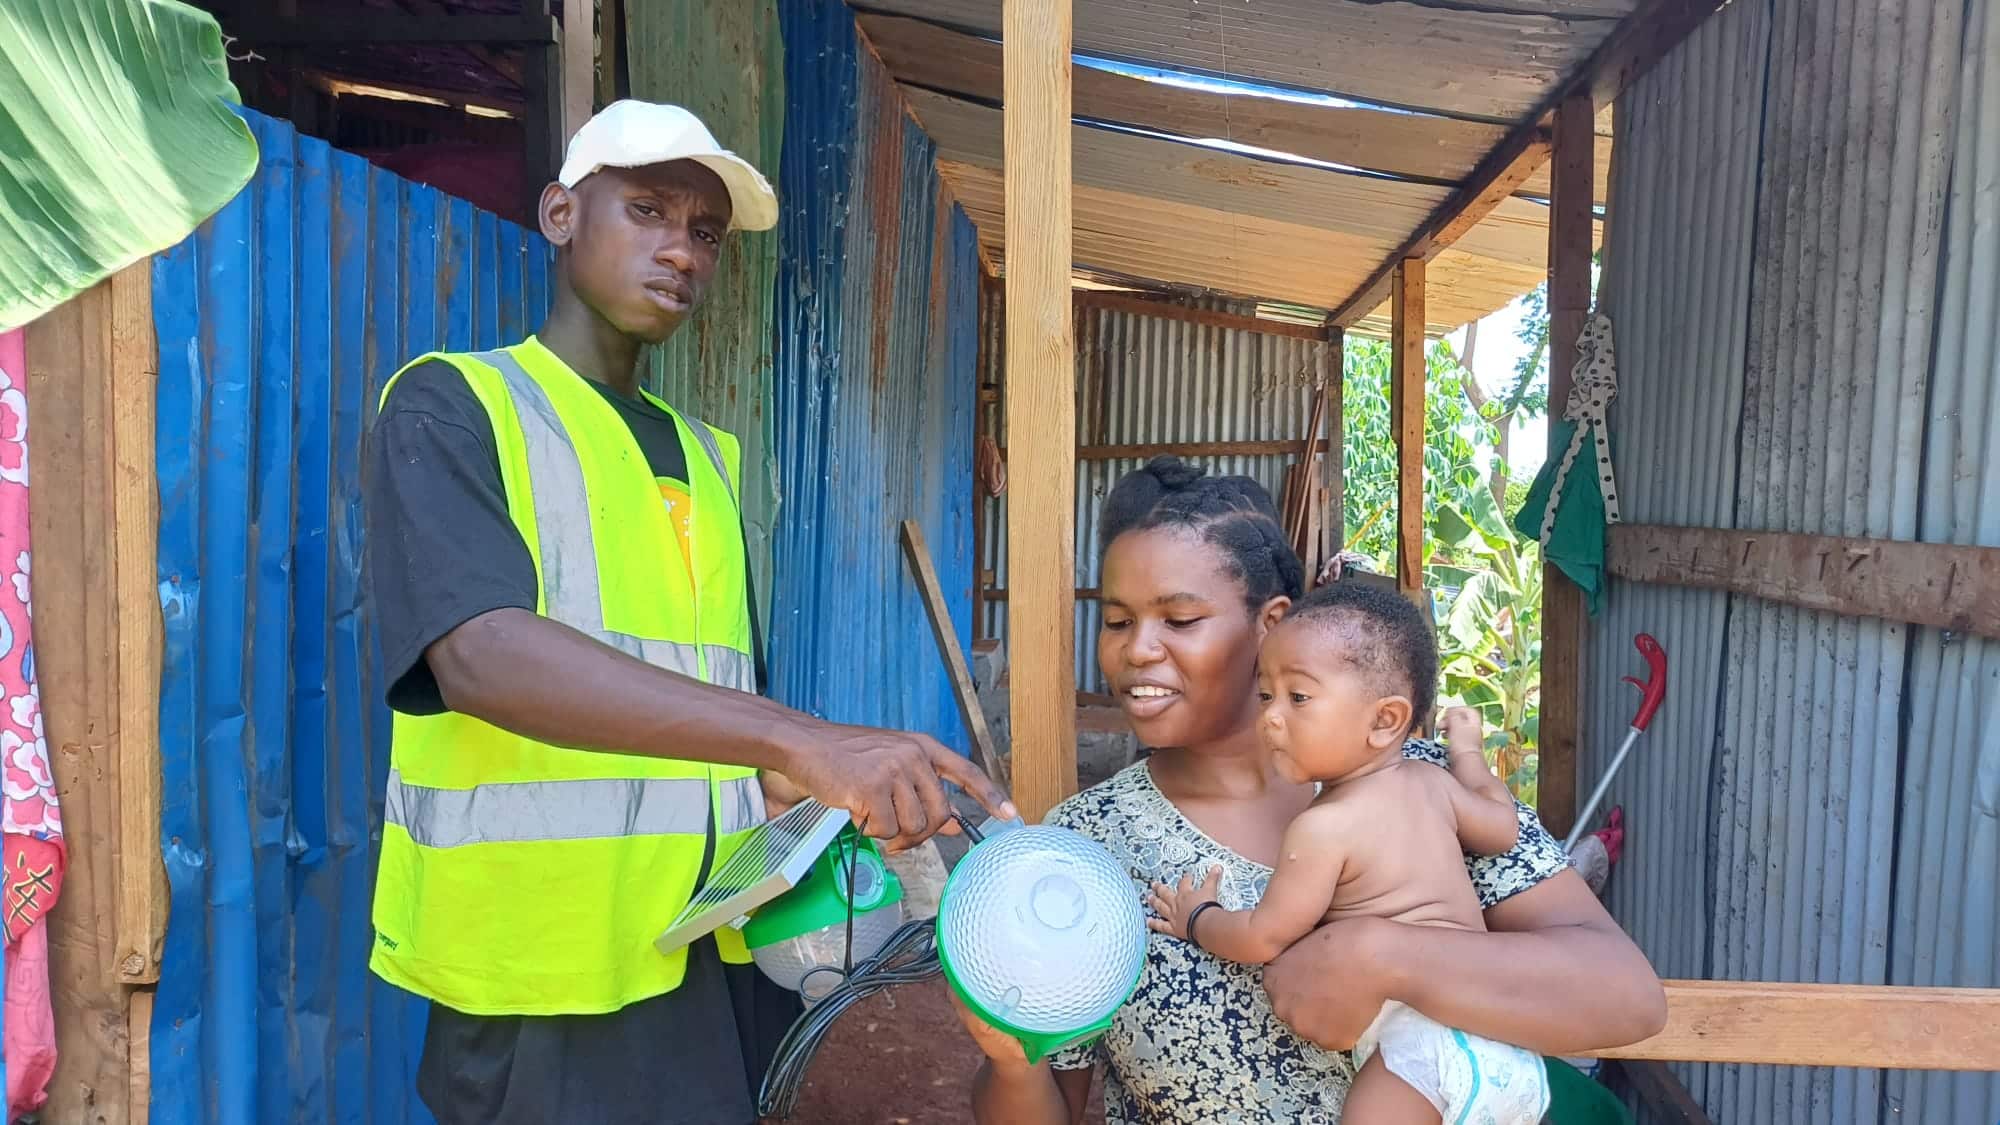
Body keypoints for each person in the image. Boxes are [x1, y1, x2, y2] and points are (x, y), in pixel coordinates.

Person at [362, 100, 1013, 1125]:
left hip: (702, 947)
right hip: (542, 964)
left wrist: (825, 805)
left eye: (703, 232)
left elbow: (715, 707)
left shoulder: (709, 459)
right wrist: (807, 740)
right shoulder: (454, 404)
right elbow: (476, 654)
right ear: (560, 213)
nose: (680, 250)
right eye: (648, 209)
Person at [956, 457, 1664, 1123]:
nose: (1135, 648)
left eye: (1178, 620)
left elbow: (1625, 996)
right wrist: (1011, 1059)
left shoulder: (1414, 778)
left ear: (1271, 623)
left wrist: (1382, 954)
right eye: (1115, 621)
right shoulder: (1088, 843)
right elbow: (1053, 1101)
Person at [1147, 582, 1547, 1124]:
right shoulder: (1433, 782)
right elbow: (1502, 827)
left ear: (1384, 721)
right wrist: (1469, 753)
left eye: (1299, 698)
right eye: (1265, 695)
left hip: (1417, 1054)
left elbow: (1264, 937)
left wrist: (1199, 919)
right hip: (1503, 1040)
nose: (1270, 717)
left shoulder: (1322, 828)